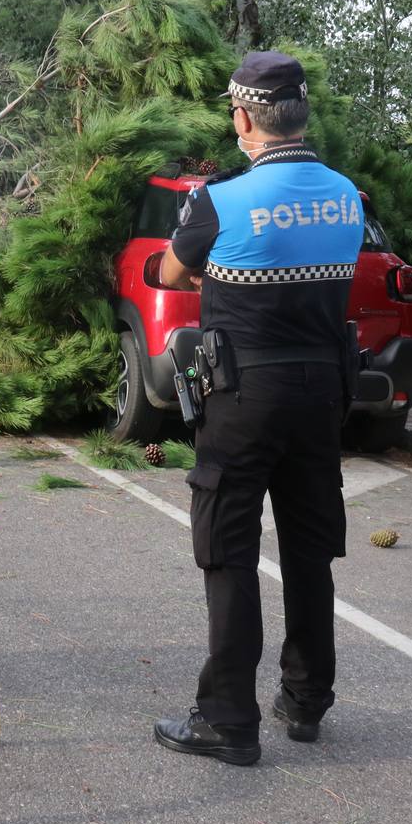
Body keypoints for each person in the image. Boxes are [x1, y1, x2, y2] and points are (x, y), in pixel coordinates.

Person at [153, 51, 365, 765]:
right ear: (301, 113)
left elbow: (173, 271)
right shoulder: (346, 196)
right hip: (322, 396)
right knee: (310, 552)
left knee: (229, 551)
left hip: (243, 399)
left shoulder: (222, 201)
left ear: (244, 119)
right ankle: (305, 701)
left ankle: (228, 720)